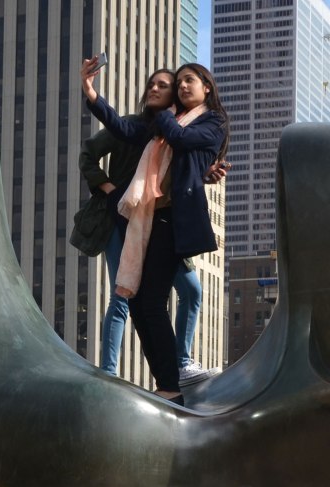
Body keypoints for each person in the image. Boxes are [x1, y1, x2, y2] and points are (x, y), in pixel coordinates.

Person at [81, 58, 229, 405]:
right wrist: (91, 93)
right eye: (179, 83)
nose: (182, 87)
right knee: (136, 302)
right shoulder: (168, 122)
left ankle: (170, 384)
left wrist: (169, 114)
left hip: (173, 222)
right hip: (148, 219)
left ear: (207, 87)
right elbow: (125, 129)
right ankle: (166, 383)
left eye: (188, 81)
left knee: (154, 299)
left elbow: (181, 140)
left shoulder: (212, 122)